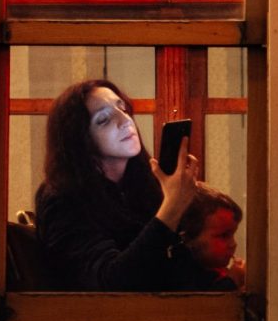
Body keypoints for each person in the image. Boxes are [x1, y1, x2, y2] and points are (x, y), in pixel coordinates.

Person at [34, 79, 206, 291]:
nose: (125, 120)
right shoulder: (63, 196)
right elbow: (111, 281)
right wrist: (172, 208)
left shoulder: (141, 184)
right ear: (80, 139)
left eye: (122, 108)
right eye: (104, 119)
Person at [176, 182, 246, 290]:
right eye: (223, 235)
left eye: (232, 234)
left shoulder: (216, 270)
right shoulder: (183, 274)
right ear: (189, 236)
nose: (233, 244)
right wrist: (232, 281)